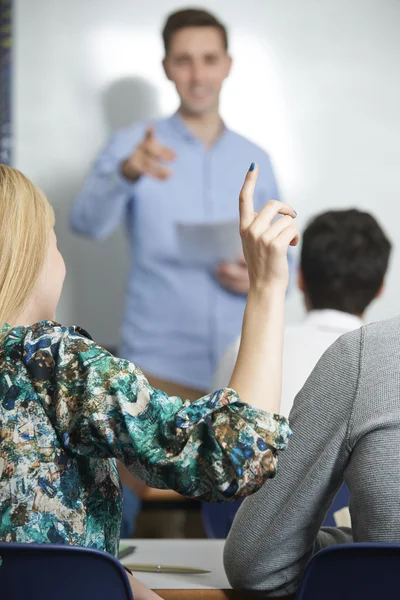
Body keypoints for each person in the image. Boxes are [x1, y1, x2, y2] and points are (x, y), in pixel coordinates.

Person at [0, 163, 297, 600]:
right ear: (27, 255)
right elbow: (233, 456)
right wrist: (268, 287)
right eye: (55, 241)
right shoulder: (54, 359)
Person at [70, 7, 280, 401]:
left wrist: (258, 277)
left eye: (209, 60)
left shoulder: (257, 158)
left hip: (243, 367)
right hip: (156, 370)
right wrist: (127, 173)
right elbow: (85, 223)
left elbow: (285, 256)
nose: (198, 76)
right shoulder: (133, 146)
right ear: (166, 67)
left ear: (227, 65)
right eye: (184, 61)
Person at [223, 223, 399, 595]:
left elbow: (257, 564)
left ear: (299, 279)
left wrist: (366, 547)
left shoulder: (365, 356)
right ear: (380, 288)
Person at [215, 208, 391, 417]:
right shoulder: (389, 372)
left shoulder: (242, 350)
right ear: (380, 289)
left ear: (299, 278)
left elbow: (213, 438)